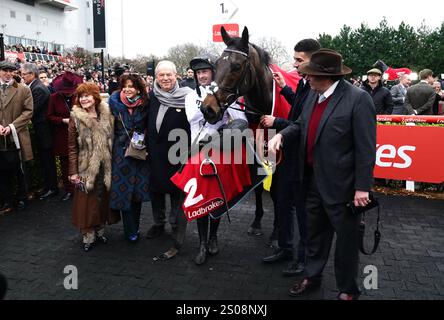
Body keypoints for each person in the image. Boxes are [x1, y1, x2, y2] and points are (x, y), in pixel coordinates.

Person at [268, 49, 376, 300]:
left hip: (344, 187)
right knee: (315, 235)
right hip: (311, 181)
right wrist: (282, 135)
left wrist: (362, 188)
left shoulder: (357, 99)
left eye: (309, 74)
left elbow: (366, 147)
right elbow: (300, 124)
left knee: (346, 243)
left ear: (325, 76)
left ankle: (348, 289)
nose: (304, 78)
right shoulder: (312, 96)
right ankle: (312, 276)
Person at [260, 39, 320, 276]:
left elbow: (302, 123)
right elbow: (298, 107)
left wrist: (277, 123)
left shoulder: (316, 86)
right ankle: (285, 247)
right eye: (294, 59)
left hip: (302, 160)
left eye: (299, 60)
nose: (294, 65)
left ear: (312, 60)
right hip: (287, 158)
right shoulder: (304, 84)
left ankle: (303, 258)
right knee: (282, 202)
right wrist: (285, 87)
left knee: (302, 211)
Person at [184, 56, 247, 265]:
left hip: (219, 150)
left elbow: (241, 121)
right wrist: (211, 101)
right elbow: (193, 117)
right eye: (198, 73)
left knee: (217, 197)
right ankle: (202, 243)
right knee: (201, 199)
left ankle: (213, 237)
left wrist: (227, 115)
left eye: (205, 72)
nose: (202, 76)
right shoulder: (191, 96)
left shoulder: (227, 95)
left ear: (213, 73)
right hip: (197, 151)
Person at [146, 60, 192, 259]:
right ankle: (158, 223)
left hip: (178, 150)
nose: (165, 78)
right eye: (161, 75)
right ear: (156, 77)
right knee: (155, 189)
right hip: (155, 150)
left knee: (175, 189)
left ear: (176, 76)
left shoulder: (188, 97)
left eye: (169, 75)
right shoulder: (152, 96)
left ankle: (175, 224)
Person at [68, 82, 120, 251]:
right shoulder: (75, 117)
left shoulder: (107, 113)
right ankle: (88, 235)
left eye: (87, 95)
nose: (84, 99)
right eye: (81, 96)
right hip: (86, 167)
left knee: (103, 199)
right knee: (86, 203)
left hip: (106, 164)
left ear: (95, 97)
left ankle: (99, 230)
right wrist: (73, 172)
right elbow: (72, 147)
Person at [108, 74, 150, 243]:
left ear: (138, 88)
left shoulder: (146, 104)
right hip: (121, 153)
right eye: (125, 86)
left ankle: (136, 227)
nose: (127, 89)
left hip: (140, 152)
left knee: (137, 194)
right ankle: (129, 229)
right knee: (124, 192)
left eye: (131, 86)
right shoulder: (113, 103)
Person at [21, 63, 59, 200]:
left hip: (45, 132)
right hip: (42, 131)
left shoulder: (38, 89)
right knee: (45, 161)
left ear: (32, 74)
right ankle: (48, 187)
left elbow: (31, 111)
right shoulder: (35, 87)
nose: (22, 77)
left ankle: (52, 188)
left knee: (48, 161)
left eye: (24, 74)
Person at [0, 61, 33, 214]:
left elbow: (28, 112)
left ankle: (22, 198)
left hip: (17, 136)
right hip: (1, 138)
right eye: (4, 70)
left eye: (10, 70)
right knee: (3, 172)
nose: (8, 73)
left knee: (20, 170)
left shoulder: (23, 89)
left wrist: (12, 126)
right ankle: (7, 201)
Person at [47, 71, 84, 201]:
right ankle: (69, 190)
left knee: (80, 161)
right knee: (64, 164)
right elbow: (50, 116)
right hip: (62, 136)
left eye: (71, 90)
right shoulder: (54, 97)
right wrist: (63, 120)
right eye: (66, 91)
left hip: (80, 135)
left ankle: (81, 188)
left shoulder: (80, 97)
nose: (69, 93)